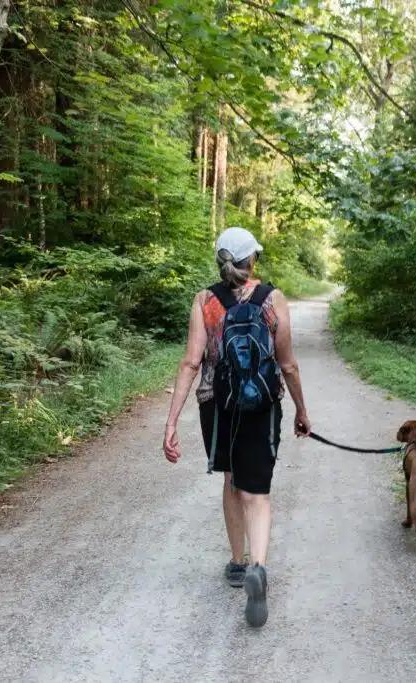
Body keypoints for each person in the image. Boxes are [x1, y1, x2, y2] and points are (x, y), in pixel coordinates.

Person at [163, 226, 311, 628]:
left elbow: (191, 363)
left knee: (231, 480)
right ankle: (257, 567)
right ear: (253, 260)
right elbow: (288, 364)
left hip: (218, 405)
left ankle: (236, 561)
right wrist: (301, 410)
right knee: (257, 493)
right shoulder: (272, 299)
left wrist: (171, 421)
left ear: (220, 261)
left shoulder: (204, 300)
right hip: (261, 405)